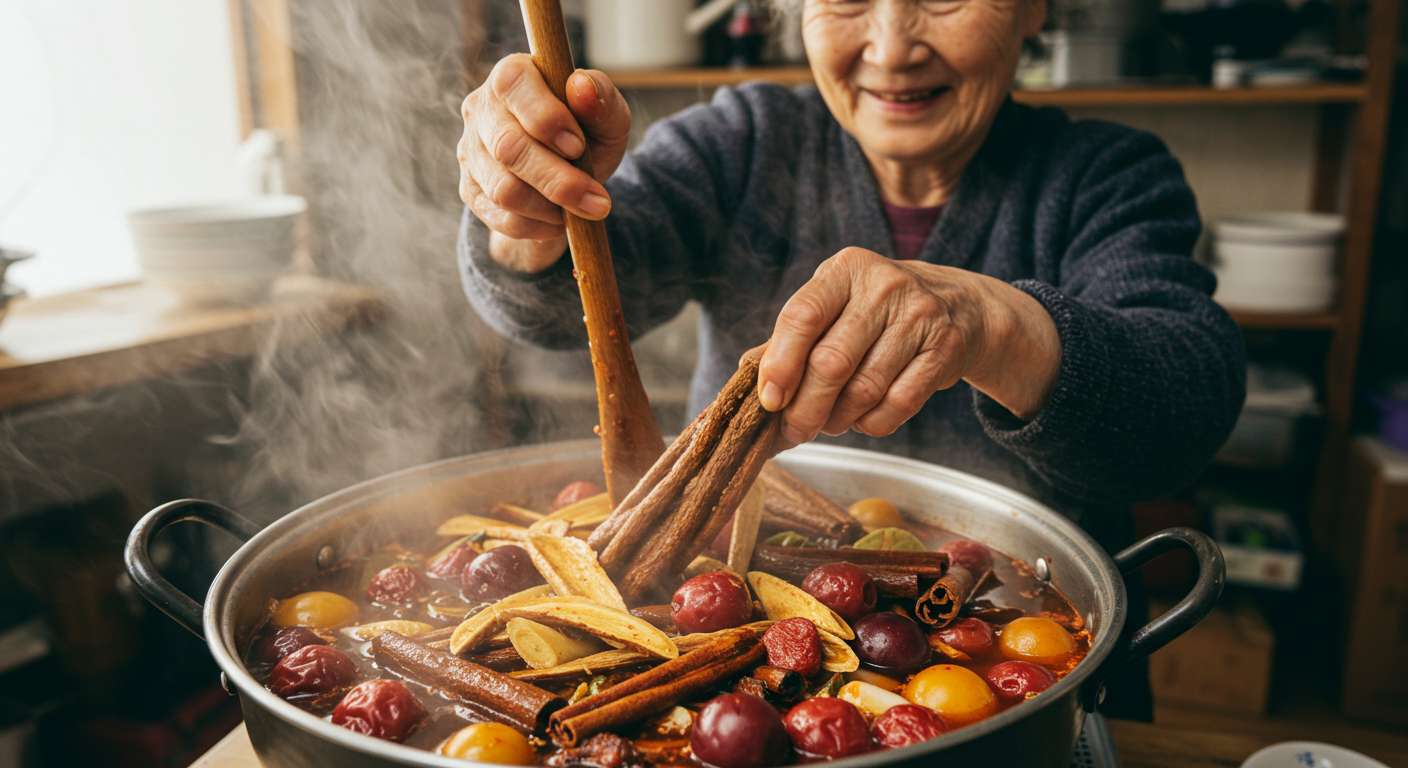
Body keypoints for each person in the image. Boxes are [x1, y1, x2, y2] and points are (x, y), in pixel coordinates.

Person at [455, 0, 1245, 719]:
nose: (892, 48)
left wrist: (990, 324)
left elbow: (1180, 420)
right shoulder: (740, 144)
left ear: (1034, 8)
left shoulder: (1109, 177)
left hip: (1035, 697)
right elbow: (557, 307)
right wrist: (526, 218)